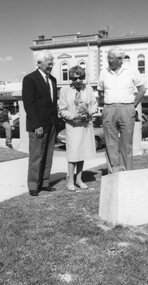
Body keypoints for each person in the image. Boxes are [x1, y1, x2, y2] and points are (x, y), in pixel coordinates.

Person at [97, 47, 146, 173]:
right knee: (110, 144)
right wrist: (108, 103)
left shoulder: (131, 70)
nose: (108, 60)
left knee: (126, 144)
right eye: (108, 57)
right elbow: (100, 91)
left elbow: (142, 89)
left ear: (120, 59)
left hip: (127, 108)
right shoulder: (104, 72)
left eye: (111, 58)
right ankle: (113, 172)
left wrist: (132, 105)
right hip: (109, 109)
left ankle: (127, 173)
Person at [22, 50, 58, 197]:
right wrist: (37, 125)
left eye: (52, 64)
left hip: (51, 124)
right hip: (38, 125)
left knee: (48, 155)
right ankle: (33, 185)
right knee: (36, 156)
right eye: (48, 64)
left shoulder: (53, 80)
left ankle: (44, 182)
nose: (51, 66)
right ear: (39, 63)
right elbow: (29, 104)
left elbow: (52, 104)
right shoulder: (30, 79)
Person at [59, 65, 98, 191]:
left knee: (82, 152)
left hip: (85, 125)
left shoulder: (89, 89)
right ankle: (70, 180)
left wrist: (89, 113)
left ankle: (79, 179)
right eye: (75, 78)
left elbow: (94, 105)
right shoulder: (64, 91)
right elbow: (62, 110)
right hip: (73, 126)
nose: (78, 80)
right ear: (71, 78)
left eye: (81, 78)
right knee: (73, 153)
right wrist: (73, 116)